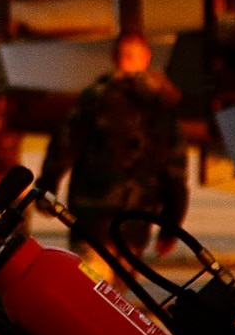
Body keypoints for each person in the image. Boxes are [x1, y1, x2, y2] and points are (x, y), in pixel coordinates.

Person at [38, 33, 188, 264]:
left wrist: (46, 191)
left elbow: (62, 148)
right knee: (114, 297)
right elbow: (175, 171)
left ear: (113, 57)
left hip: (92, 221)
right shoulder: (162, 105)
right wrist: (171, 225)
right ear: (147, 58)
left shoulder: (95, 99)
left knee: (91, 292)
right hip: (135, 225)